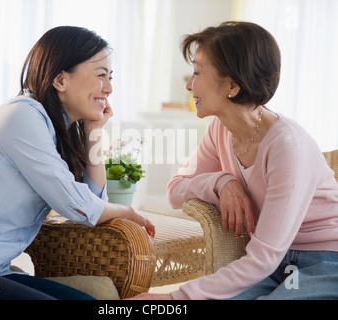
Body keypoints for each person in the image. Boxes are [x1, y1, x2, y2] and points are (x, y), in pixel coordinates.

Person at [128, 21, 338, 300]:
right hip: (272, 264)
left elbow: (263, 258)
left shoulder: (287, 145)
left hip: (325, 261)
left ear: (232, 85)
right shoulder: (220, 129)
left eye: (197, 72)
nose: (190, 84)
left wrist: (174, 298)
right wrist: (222, 181)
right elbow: (176, 190)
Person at [0, 26, 155, 300]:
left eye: (110, 77)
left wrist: (94, 132)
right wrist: (127, 211)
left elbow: (92, 201)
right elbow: (80, 207)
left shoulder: (59, 131)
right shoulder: (22, 115)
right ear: (60, 80)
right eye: (101, 75)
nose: (109, 88)